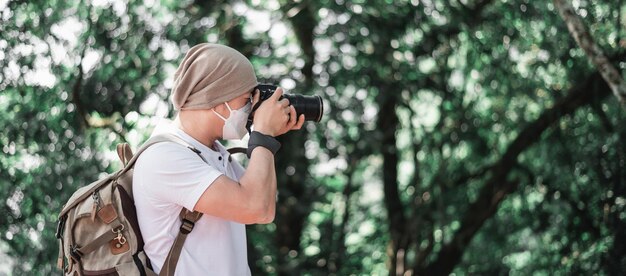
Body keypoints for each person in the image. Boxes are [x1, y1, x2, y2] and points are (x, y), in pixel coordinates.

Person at [133, 43, 305, 275]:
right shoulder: (164, 157)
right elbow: (256, 207)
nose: (252, 108)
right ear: (216, 97)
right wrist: (263, 135)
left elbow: (266, 207)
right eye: (247, 99)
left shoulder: (212, 152)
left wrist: (268, 139)